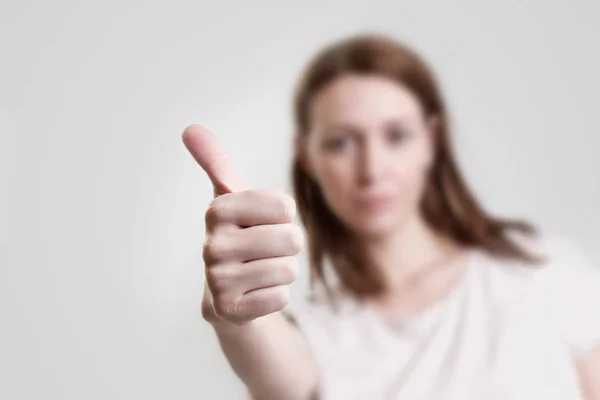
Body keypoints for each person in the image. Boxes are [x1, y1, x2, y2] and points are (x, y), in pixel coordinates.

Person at [182, 33, 600, 400]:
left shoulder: (543, 272)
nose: (372, 170)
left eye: (396, 136)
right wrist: (235, 320)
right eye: (342, 142)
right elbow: (284, 379)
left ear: (431, 141)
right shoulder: (317, 335)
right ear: (306, 155)